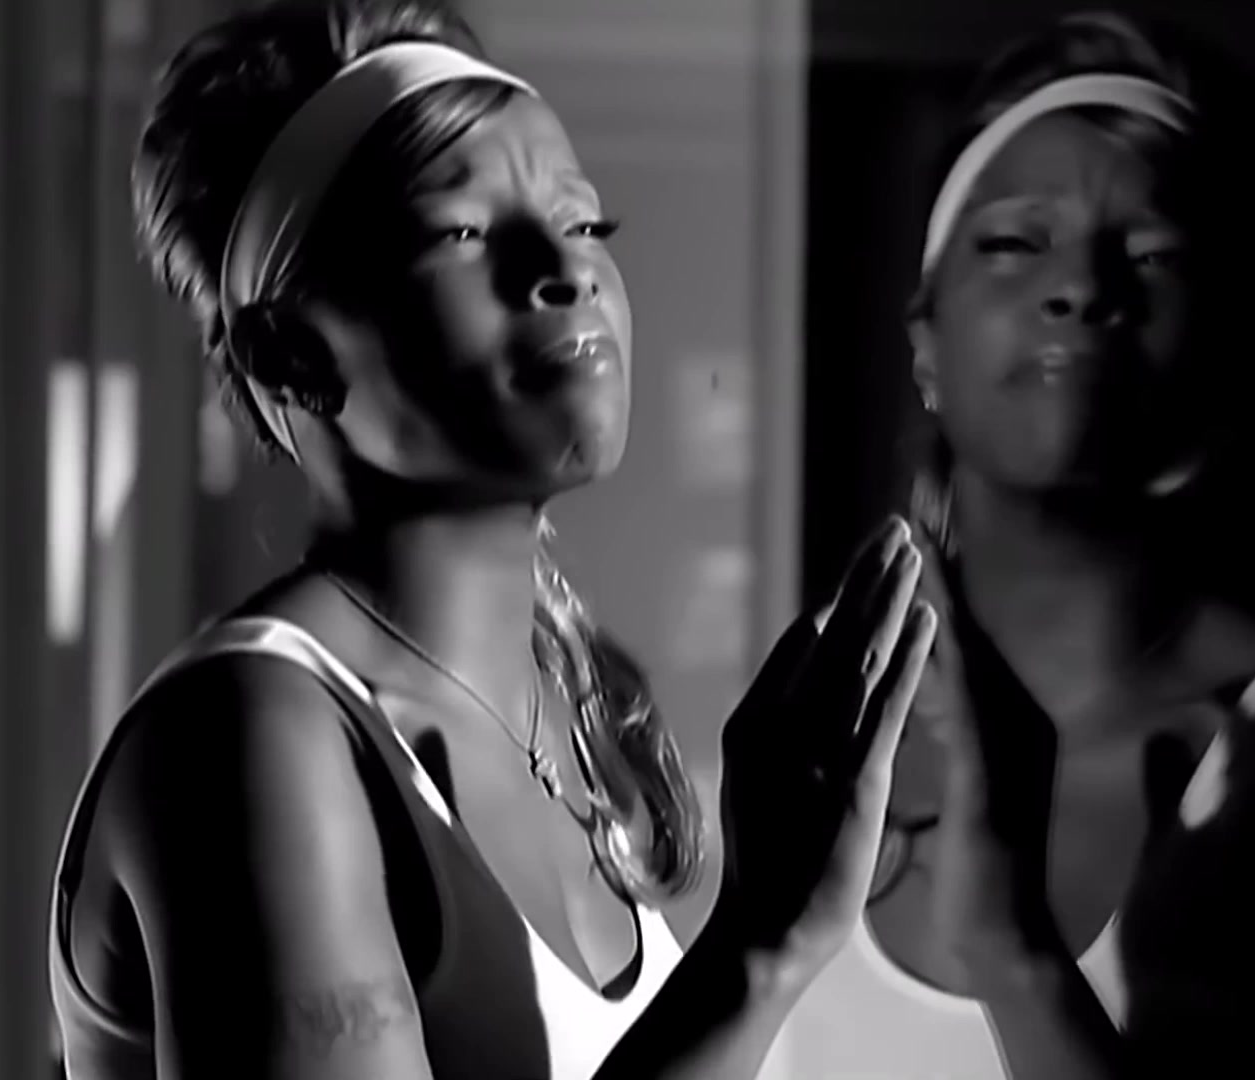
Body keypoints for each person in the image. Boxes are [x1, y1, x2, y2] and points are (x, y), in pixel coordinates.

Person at [46, 2, 937, 1078]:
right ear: (287, 353)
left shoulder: (584, 734)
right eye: (462, 232)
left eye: (586, 224)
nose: (564, 268)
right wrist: (760, 946)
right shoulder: (250, 737)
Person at [772, 12, 1255, 1079]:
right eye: (1013, 243)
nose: (1082, 287)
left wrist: (1013, 953)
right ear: (926, 342)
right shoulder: (785, 752)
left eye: (1155, 254)